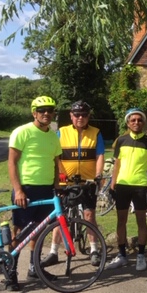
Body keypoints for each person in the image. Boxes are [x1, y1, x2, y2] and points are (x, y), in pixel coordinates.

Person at [7, 95, 63, 290]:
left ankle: (34, 268)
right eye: (41, 110)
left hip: (46, 189)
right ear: (34, 113)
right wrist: (18, 190)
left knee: (38, 230)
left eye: (50, 110)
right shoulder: (22, 132)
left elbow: (56, 163)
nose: (46, 113)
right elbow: (11, 162)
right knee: (19, 231)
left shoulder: (53, 136)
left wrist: (57, 187)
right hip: (26, 189)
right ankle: (11, 272)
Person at [40, 100, 105, 268]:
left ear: (88, 116)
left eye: (84, 115)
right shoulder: (61, 132)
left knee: (89, 216)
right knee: (60, 216)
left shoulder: (96, 133)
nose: (80, 117)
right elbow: (56, 157)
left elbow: (99, 156)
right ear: (71, 116)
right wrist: (60, 177)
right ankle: (53, 252)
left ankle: (94, 250)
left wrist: (98, 175)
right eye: (77, 115)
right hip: (65, 181)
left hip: (88, 181)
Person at [106, 108, 147, 272]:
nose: (136, 122)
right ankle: (122, 255)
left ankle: (141, 255)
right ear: (128, 123)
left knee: (141, 221)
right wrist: (112, 186)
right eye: (133, 120)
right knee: (121, 221)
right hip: (122, 185)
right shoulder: (121, 140)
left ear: (143, 123)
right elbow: (117, 165)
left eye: (139, 120)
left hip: (140, 186)